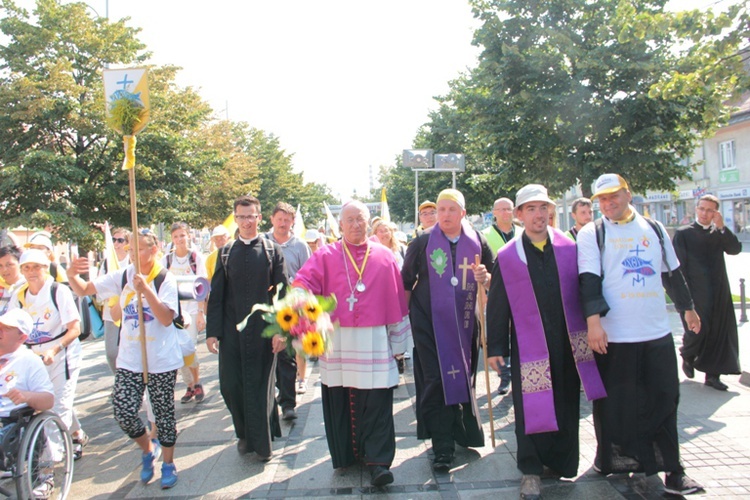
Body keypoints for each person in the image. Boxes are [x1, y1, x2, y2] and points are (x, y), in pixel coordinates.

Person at [577, 173, 704, 496]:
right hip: (615, 336)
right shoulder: (594, 233)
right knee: (614, 405)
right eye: (602, 200)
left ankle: (674, 471)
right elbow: (589, 280)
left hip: (656, 333)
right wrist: (593, 323)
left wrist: (687, 308)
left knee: (664, 399)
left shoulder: (655, 229)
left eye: (613, 196)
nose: (608, 204)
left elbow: (672, 274)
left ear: (628, 193)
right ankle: (611, 461)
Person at [486, 184, 606, 499]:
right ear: (520, 215)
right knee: (530, 407)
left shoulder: (569, 247)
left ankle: (561, 462)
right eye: (532, 209)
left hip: (567, 342)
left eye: (543, 208)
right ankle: (531, 470)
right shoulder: (509, 255)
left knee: (565, 401)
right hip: (529, 346)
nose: (539, 215)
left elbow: (585, 289)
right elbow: (498, 304)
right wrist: (496, 347)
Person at [293, 200, 409, 487]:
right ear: (340, 224)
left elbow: (396, 304)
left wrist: (399, 346)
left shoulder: (384, 256)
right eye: (350, 220)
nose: (356, 225)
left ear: (368, 222)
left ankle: (379, 462)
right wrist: (299, 297)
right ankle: (346, 454)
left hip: (374, 342)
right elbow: (303, 281)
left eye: (361, 219)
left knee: (378, 400)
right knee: (341, 399)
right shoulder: (325, 254)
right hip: (339, 341)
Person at [67, 229, 182, 489]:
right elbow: (85, 289)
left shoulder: (165, 279)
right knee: (123, 411)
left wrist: (146, 291)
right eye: (130, 250)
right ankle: (146, 448)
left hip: (160, 359)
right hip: (130, 358)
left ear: (153, 250)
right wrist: (72, 274)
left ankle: (168, 463)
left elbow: (166, 318)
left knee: (163, 415)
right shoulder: (123, 276)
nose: (133, 255)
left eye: (139, 249)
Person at [402, 189, 493, 472]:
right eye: (440, 210)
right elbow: (406, 282)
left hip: (466, 324)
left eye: (451, 210)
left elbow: (492, 279)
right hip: (429, 325)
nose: (444, 215)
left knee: (463, 376)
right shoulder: (423, 242)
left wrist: (485, 277)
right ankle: (441, 447)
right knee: (436, 380)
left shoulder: (477, 241)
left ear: (463, 213)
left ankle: (462, 431)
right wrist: (404, 322)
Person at [206, 195, 288, 461]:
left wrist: (280, 330)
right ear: (235, 219)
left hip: (264, 331)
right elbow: (216, 295)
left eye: (251, 216)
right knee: (229, 385)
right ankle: (243, 433)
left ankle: (261, 446)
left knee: (260, 386)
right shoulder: (226, 252)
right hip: (232, 332)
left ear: (259, 217)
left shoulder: (272, 250)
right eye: (241, 217)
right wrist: (212, 332)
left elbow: (283, 294)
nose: (246, 221)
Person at [8, 249, 88, 458]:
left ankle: (47, 468)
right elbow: (10, 328)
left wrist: (55, 349)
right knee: (50, 400)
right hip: (34, 356)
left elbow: (74, 328)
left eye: (36, 267)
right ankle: (76, 433)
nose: (31, 272)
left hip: (63, 354)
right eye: (27, 267)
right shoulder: (19, 295)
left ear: (45, 268)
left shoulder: (57, 291)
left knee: (56, 406)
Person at [673, 194, 742, 390]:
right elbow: (678, 266)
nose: (705, 213)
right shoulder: (683, 233)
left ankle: (713, 376)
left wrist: (721, 228)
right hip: (695, 291)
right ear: (696, 209)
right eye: (702, 209)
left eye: (710, 210)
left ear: (716, 213)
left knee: (718, 332)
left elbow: (735, 249)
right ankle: (687, 354)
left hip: (718, 290)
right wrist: (684, 295)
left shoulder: (717, 233)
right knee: (697, 331)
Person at [266, 202, 311, 414]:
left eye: (287, 220)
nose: (283, 224)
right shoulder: (262, 242)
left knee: (287, 354)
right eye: (279, 219)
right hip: (265, 306)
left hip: (290, 308)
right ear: (271, 219)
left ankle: (287, 403)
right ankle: (270, 396)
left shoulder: (300, 246)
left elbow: (309, 276)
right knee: (266, 354)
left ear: (293, 222)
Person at [163, 222, 207, 404]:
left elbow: (203, 285)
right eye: (176, 237)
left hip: (192, 309)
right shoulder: (166, 260)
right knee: (178, 349)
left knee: (188, 346)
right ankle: (190, 384)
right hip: (175, 311)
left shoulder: (196, 258)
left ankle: (196, 382)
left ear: (188, 236)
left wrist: (201, 312)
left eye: (182, 235)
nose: (179, 240)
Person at [482, 197, 517, 395]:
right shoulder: (485, 235)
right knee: (499, 332)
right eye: (501, 209)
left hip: (521, 293)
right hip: (496, 293)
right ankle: (504, 377)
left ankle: (518, 373)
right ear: (494, 213)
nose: (505, 213)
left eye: (508, 209)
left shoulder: (521, 233)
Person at [372, 218, 411, 374]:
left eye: (386, 230)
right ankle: (386, 360)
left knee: (398, 327)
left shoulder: (400, 249)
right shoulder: (372, 250)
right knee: (384, 329)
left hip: (398, 294)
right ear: (375, 233)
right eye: (380, 230)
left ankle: (399, 357)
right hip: (380, 296)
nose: (384, 233)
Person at [0, 308, 55, 417]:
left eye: (6, 328)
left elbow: (49, 400)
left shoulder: (29, 360)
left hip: (6, 421)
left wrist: (27, 396)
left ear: (22, 337)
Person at [98, 228, 131, 376]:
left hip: (132, 312)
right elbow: (99, 287)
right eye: (114, 239)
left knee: (131, 350)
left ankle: (131, 382)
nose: (116, 243)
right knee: (112, 352)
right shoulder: (106, 263)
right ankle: (119, 381)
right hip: (111, 312)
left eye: (120, 240)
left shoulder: (133, 260)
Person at [0, 246, 24, 316]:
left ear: (20, 264)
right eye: (0, 266)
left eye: (9, 265)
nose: (4, 270)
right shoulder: (1, 288)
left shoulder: (28, 288)